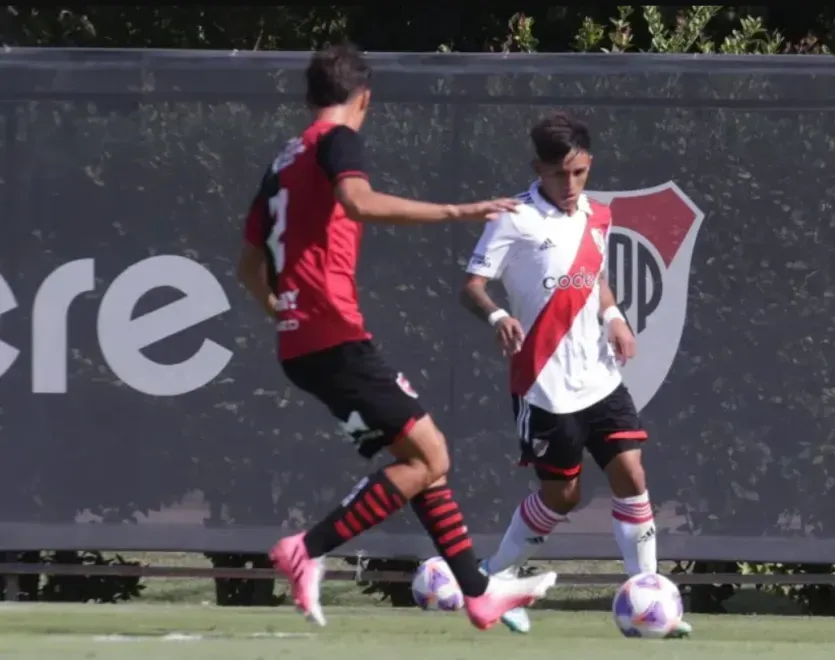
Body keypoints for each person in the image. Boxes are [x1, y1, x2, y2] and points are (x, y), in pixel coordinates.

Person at [235, 42, 557, 631]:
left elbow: (249, 263)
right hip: (334, 334)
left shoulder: (283, 159)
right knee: (431, 455)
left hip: (301, 343)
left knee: (422, 460)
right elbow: (357, 202)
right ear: (364, 98)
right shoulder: (337, 140)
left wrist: (280, 310)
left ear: (310, 96)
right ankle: (307, 549)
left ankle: (479, 593)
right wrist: (458, 212)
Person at [460, 110, 691, 636]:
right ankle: (495, 579)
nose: (570, 184)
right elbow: (471, 287)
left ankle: (649, 597)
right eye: (559, 174)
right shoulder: (514, 218)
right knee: (562, 496)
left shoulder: (597, 215)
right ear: (538, 169)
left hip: (600, 377)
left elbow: (597, 279)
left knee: (631, 474)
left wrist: (614, 318)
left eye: (579, 173)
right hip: (544, 386)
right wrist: (496, 316)